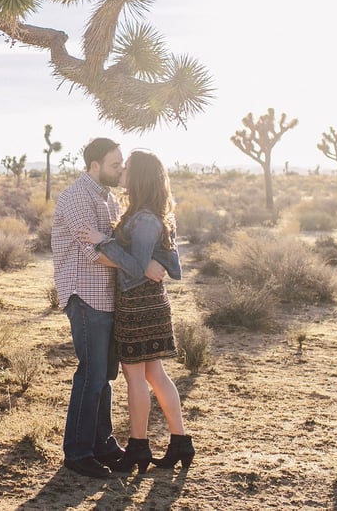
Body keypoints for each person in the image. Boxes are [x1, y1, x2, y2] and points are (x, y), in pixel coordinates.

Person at [51, 138, 167, 479]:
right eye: (115, 165)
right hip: (85, 296)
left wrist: (136, 259)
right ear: (95, 166)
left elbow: (116, 246)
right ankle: (78, 452)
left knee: (106, 376)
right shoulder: (76, 198)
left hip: (109, 297)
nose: (120, 170)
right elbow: (95, 253)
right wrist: (142, 266)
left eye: (122, 165)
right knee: (91, 374)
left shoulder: (110, 199)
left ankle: (102, 444)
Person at [78, 149, 196, 474]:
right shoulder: (142, 212)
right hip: (144, 301)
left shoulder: (144, 218)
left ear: (140, 174)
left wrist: (103, 240)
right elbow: (149, 263)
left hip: (139, 305)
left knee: (136, 377)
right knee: (153, 374)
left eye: (127, 166)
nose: (122, 170)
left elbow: (134, 267)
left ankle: (138, 448)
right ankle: (180, 442)